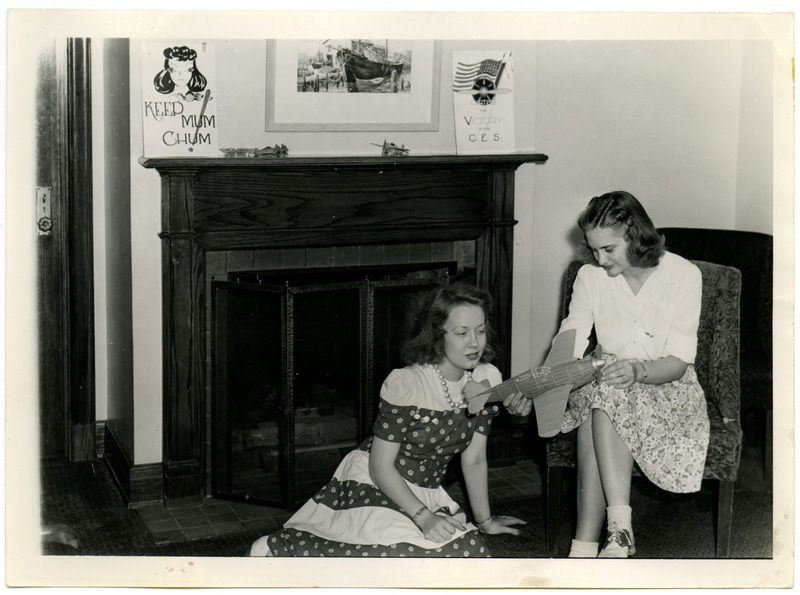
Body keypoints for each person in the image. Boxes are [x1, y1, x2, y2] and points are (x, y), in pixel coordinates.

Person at [248, 283, 528, 557]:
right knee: (401, 554)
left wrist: (485, 522)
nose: (475, 343)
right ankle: (279, 548)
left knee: (469, 551)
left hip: (425, 490)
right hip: (376, 480)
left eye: (480, 330)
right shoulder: (408, 382)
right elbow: (379, 466)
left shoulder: (486, 378)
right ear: (437, 335)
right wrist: (424, 518)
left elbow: (474, 459)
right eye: (461, 333)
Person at [556, 191, 710, 558]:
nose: (599, 259)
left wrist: (638, 370)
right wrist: (540, 385)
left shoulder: (684, 275)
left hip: (665, 386)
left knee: (603, 392)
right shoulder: (590, 277)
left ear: (635, 233)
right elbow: (570, 342)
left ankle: (588, 543)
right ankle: (617, 532)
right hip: (609, 381)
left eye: (608, 248)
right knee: (603, 390)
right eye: (593, 250)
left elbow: (679, 361)